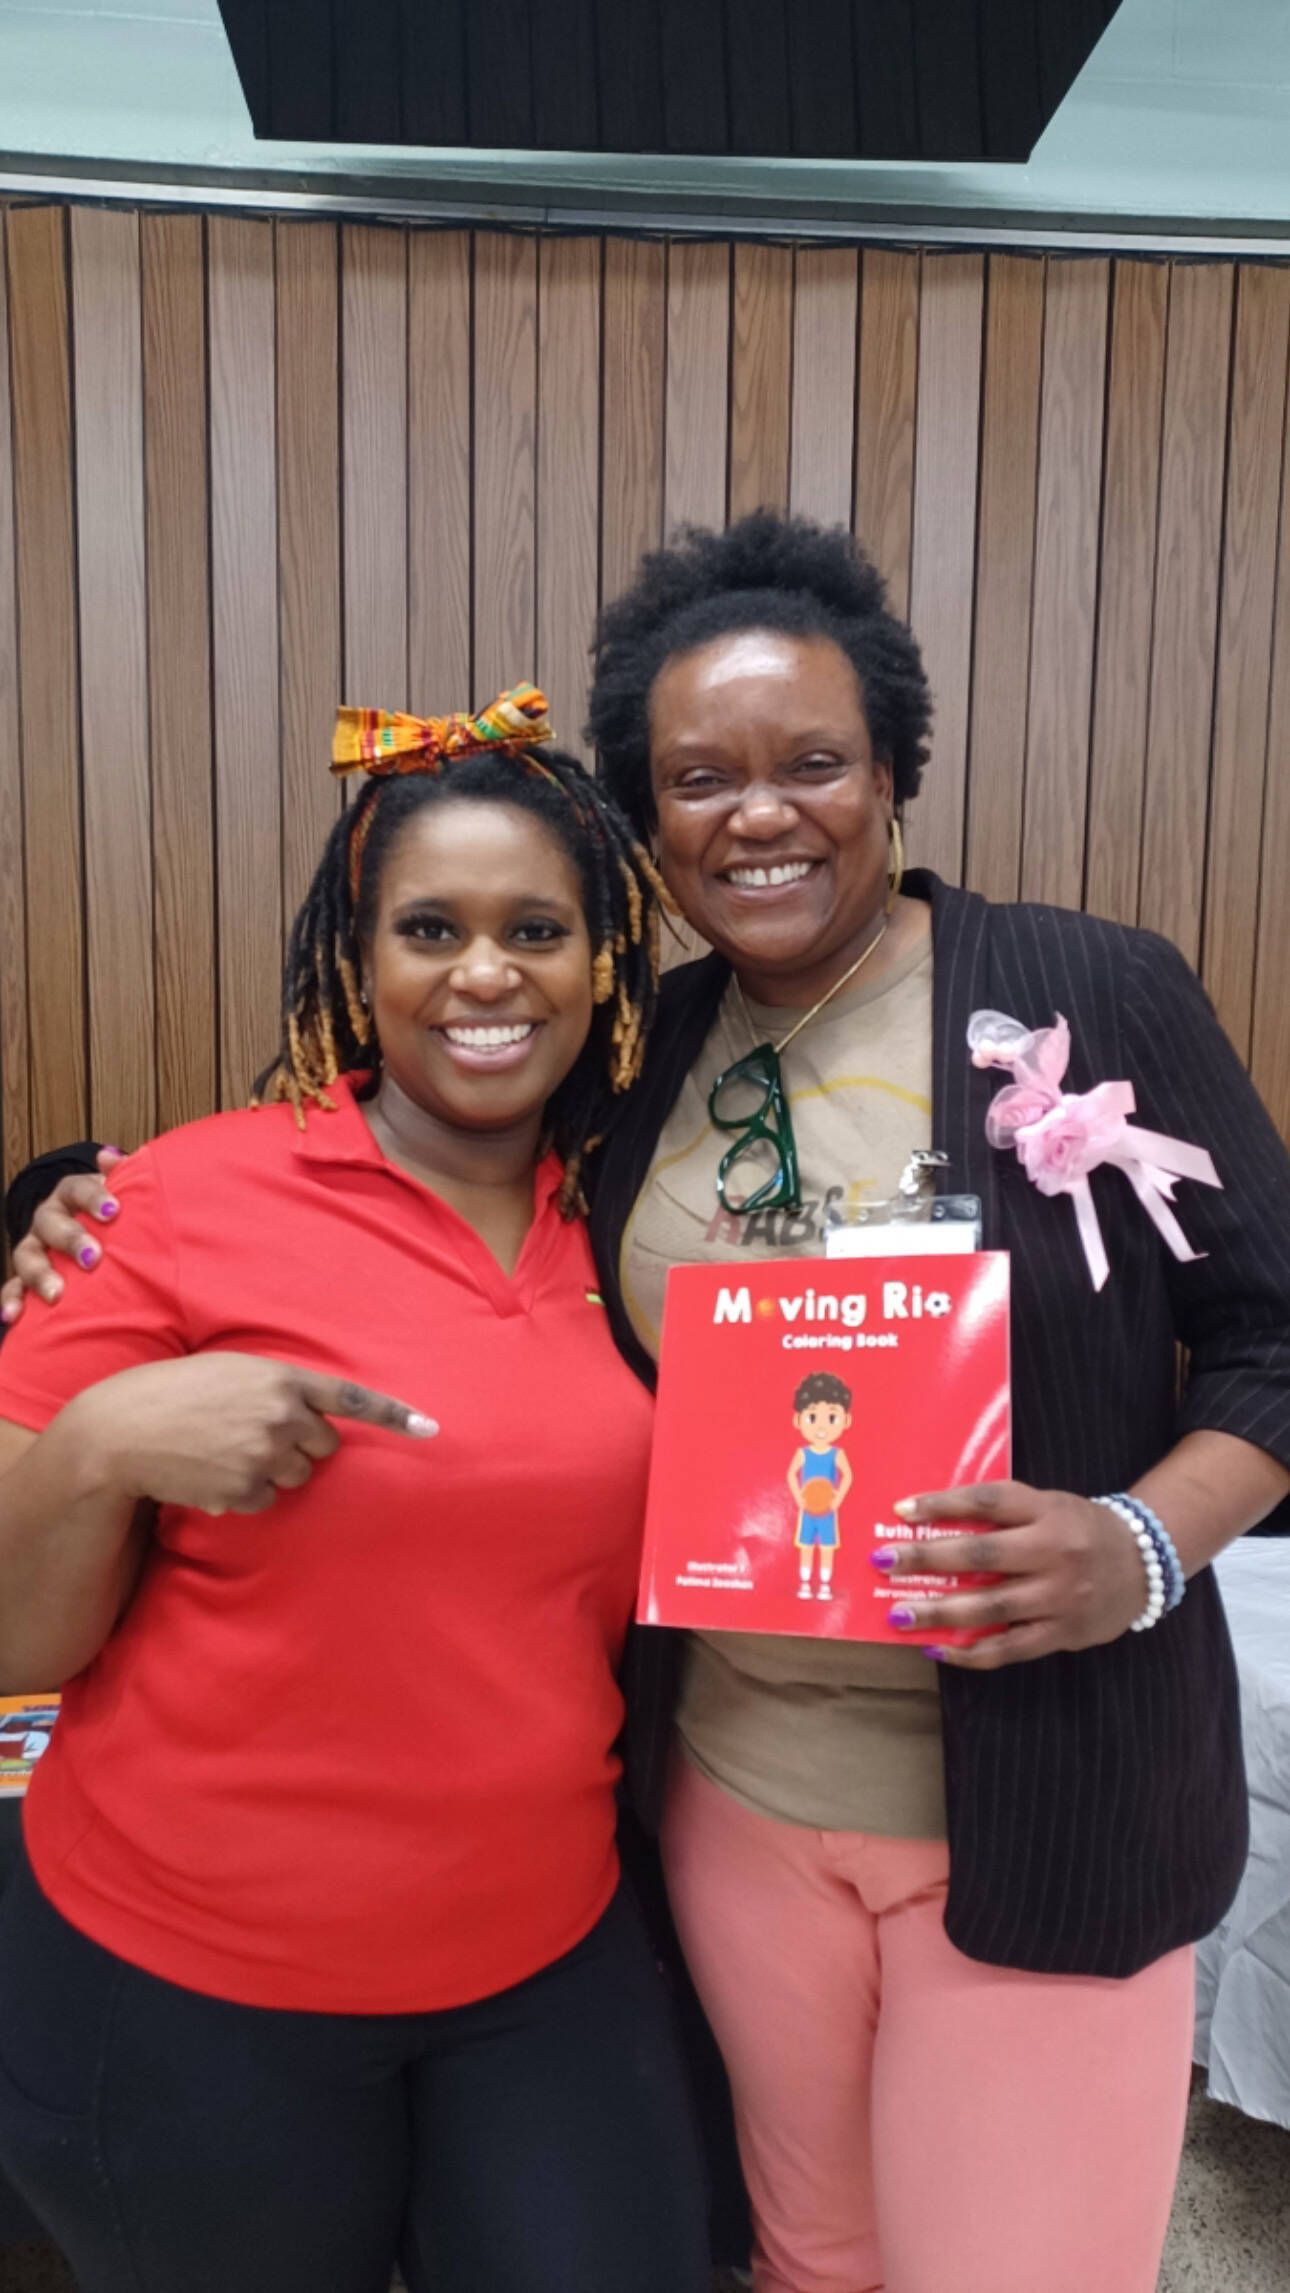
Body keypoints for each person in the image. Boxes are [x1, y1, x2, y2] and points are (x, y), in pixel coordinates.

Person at [15, 515, 1290, 2293]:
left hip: (1038, 1798)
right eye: (701, 776)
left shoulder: (1082, 987)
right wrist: (75, 1217)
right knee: (800, 2253)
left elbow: (1269, 1333)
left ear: (892, 772)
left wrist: (1147, 1542)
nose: (761, 810)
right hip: (726, 1796)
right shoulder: (645, 1070)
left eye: (813, 762)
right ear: (653, 825)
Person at [0, 692, 709, 2293]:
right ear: (356, 960)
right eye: (428, 928)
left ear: (600, 961)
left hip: (544, 1950)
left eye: (535, 927)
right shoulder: (170, 1200)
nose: (481, 973)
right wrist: (105, 1436)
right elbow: (7, 1645)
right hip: (185, 1976)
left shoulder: (638, 1216)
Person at [787, 1372, 853, 1601]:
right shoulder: (802, 1454)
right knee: (806, 1546)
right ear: (798, 1420)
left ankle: (824, 1585)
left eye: (832, 1418)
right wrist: (798, 1498)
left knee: (826, 1548)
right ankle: (805, 1584)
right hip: (807, 1509)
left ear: (846, 1420)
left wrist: (837, 1500)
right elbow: (790, 1475)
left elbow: (848, 1477)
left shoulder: (837, 1454)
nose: (822, 1427)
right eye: (813, 1417)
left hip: (827, 1510)